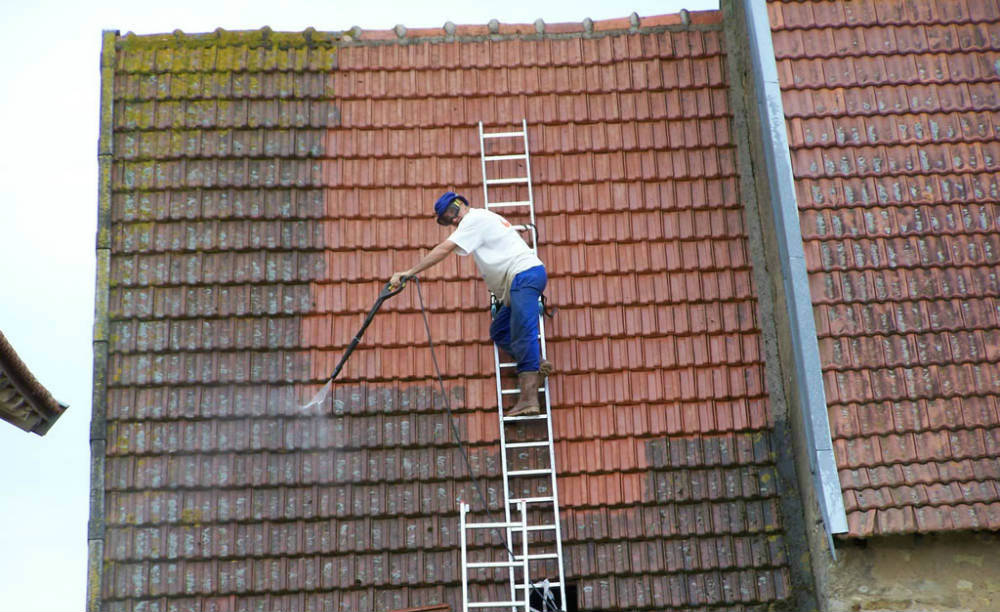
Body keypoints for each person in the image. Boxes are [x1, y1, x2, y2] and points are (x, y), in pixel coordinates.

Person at [390, 192, 551, 416]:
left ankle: (528, 399)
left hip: (524, 276)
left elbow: (444, 249)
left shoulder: (473, 219)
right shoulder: (481, 219)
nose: (453, 220)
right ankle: (535, 362)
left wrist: (409, 272)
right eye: (447, 220)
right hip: (519, 282)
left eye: (452, 213)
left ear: (461, 204)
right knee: (500, 331)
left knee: (523, 331)